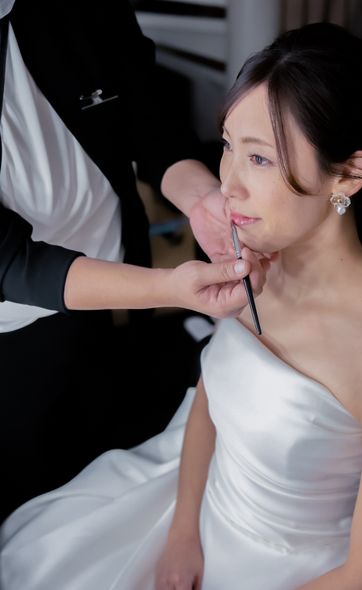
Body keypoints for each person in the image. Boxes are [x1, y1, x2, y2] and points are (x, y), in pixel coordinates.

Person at [0, 21, 362, 590]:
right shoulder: (256, 265)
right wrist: (182, 534)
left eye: (261, 159)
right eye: (227, 146)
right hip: (197, 510)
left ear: (350, 173)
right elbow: (207, 402)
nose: (227, 185)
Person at [0, 0, 268, 523]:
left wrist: (202, 200)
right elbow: (8, 262)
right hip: (12, 329)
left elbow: (150, 122)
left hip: (112, 287)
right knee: (31, 498)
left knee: (102, 442)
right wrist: (167, 287)